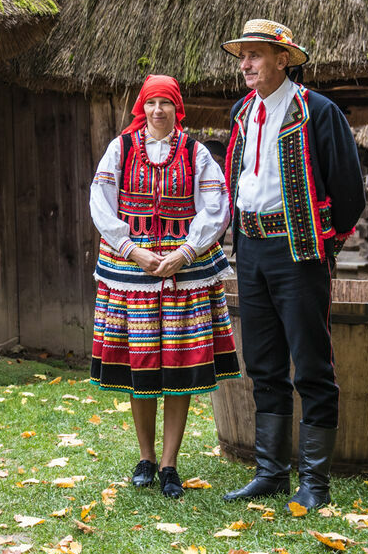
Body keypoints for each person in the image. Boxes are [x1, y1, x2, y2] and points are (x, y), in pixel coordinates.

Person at [218, 19, 364, 513]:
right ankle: (271, 474)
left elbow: (349, 191)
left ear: (284, 59)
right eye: (242, 57)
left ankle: (315, 484)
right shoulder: (241, 112)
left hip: (299, 251)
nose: (245, 65)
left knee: (313, 366)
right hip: (252, 250)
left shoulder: (317, 111)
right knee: (263, 364)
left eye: (255, 55)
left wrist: (326, 242)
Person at [89, 74, 240, 498]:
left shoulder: (196, 153)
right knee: (141, 365)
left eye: (166, 103)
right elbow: (100, 201)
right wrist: (130, 248)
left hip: (183, 274)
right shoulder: (120, 149)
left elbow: (217, 206)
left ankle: (170, 463)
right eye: (152, 103)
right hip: (133, 269)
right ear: (143, 107)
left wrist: (186, 252)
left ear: (177, 109)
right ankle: (146, 457)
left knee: (176, 366)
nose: (158, 111)